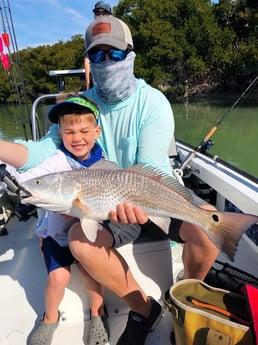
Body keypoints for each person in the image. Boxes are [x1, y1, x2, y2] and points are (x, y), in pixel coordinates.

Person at [0, 16, 218, 345]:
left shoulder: (153, 102)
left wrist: (133, 199)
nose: (106, 61)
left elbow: (147, 166)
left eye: (113, 53)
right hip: (109, 205)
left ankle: (183, 297)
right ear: (89, 59)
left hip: (153, 193)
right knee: (79, 241)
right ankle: (145, 309)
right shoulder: (81, 107)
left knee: (209, 231)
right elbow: (41, 151)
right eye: (97, 55)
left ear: (129, 54)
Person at [4, 94, 110, 345]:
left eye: (84, 130)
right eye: (68, 132)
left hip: (87, 234)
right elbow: (34, 177)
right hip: (55, 235)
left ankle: (98, 312)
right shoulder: (58, 161)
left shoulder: (105, 163)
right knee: (58, 278)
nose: (77, 138)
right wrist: (10, 176)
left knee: (91, 274)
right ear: (59, 134)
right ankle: (50, 317)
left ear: (97, 131)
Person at [84, 1, 112, 90]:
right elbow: (87, 59)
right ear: (94, 15)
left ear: (110, 15)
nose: (100, 16)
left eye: (104, 13)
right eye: (97, 13)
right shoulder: (89, 35)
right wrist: (88, 84)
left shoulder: (118, 32)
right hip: (97, 78)